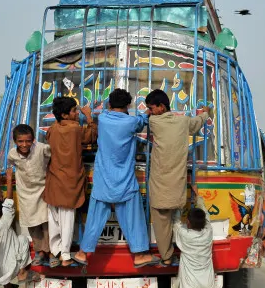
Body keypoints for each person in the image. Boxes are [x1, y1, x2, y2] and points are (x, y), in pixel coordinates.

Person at [74, 89, 160, 267]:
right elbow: (142, 121)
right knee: (134, 218)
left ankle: (83, 253)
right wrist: (147, 112)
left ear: (110, 105)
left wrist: (89, 114)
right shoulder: (131, 122)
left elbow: (102, 116)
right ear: (128, 106)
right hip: (125, 180)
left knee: (94, 219)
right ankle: (139, 254)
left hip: (103, 179)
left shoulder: (104, 119)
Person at [145, 89, 210, 266]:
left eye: (151, 108)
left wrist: (148, 113)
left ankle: (166, 256)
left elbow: (146, 117)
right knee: (178, 219)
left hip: (159, 183)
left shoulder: (153, 121)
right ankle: (184, 253)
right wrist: (205, 114)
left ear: (161, 107)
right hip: (178, 183)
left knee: (161, 221)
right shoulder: (183, 121)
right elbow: (196, 124)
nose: (149, 111)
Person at [44, 97, 96, 267]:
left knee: (54, 218)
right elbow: (91, 136)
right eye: (74, 111)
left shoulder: (52, 129)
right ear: (65, 115)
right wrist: (89, 117)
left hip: (53, 179)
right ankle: (64, 255)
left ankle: (55, 250)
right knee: (67, 219)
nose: (76, 113)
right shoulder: (75, 129)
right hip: (70, 181)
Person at [7, 123, 51, 266]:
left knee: (46, 222)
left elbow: (55, 153)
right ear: (15, 142)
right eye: (20, 141)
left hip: (43, 188)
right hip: (25, 192)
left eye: (28, 141)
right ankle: (39, 252)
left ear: (33, 140)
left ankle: (50, 251)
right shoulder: (12, 154)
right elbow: (12, 164)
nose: (24, 144)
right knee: (32, 223)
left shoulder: (41, 149)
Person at [0, 169, 36, 288]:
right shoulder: (4, 221)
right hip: (9, 269)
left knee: (4, 253)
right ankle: (22, 272)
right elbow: (8, 200)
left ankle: (8, 286)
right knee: (22, 239)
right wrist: (9, 179)